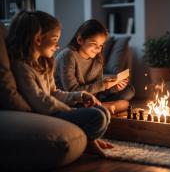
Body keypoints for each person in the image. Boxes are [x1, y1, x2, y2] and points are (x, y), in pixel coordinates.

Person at [6, 10, 113, 157]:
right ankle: (89, 141)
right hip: (47, 115)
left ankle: (89, 140)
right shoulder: (22, 68)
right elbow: (40, 101)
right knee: (97, 117)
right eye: (55, 39)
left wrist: (80, 95)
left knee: (103, 112)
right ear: (38, 39)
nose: (57, 45)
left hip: (58, 110)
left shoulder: (44, 63)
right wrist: (71, 111)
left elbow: (54, 92)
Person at [55, 19, 135, 115]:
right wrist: (102, 85)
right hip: (71, 100)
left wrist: (114, 87)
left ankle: (101, 106)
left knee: (129, 90)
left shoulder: (98, 58)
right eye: (94, 44)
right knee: (124, 104)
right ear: (80, 40)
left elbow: (98, 90)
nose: (98, 49)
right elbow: (72, 91)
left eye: (101, 45)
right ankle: (103, 107)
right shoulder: (68, 55)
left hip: (92, 97)